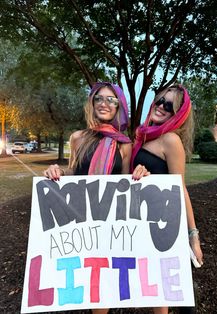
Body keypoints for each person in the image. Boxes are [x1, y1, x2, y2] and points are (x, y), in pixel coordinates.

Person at [44, 81, 147, 314]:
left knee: (103, 284)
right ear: (91, 103)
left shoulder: (125, 144)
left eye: (111, 100)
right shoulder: (78, 137)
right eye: (99, 98)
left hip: (109, 223)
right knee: (84, 279)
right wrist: (57, 172)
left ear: (118, 107)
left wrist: (141, 174)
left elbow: (126, 183)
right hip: (80, 221)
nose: (104, 103)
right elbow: (72, 173)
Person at [131, 84, 203, 314]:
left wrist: (193, 237)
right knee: (156, 289)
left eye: (169, 105)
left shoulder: (170, 140)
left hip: (166, 226)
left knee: (169, 289)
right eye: (160, 100)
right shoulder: (142, 137)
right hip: (144, 222)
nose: (161, 106)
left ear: (178, 113)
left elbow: (180, 189)